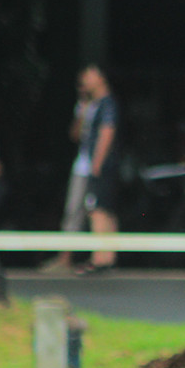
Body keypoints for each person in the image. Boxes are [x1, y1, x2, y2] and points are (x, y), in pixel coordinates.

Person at [41, 64, 120, 275]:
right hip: (82, 164)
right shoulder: (88, 105)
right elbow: (75, 135)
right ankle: (78, 258)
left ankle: (101, 258)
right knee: (83, 209)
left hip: (95, 166)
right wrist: (82, 112)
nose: (84, 81)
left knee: (98, 209)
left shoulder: (107, 105)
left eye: (89, 76)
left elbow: (106, 133)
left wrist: (97, 164)